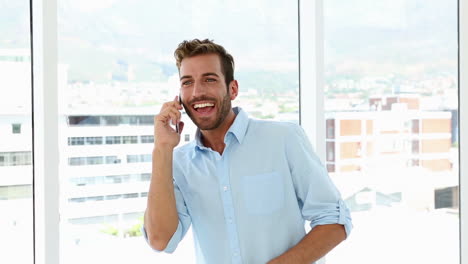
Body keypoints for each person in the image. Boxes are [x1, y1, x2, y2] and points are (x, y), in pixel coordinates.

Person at [143, 39, 352, 264]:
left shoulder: (283, 139)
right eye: (187, 82)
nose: (197, 92)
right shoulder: (179, 163)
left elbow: (335, 221)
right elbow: (160, 240)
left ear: (232, 89)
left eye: (209, 79)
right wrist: (162, 149)